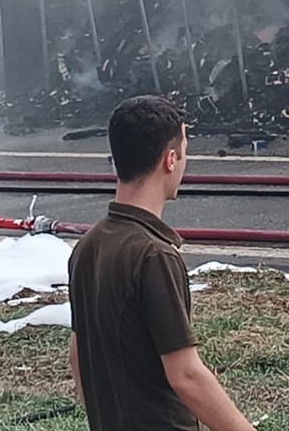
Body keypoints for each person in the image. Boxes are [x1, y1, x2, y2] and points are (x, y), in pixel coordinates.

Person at [68, 96, 256, 431]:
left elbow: (78, 354)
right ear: (170, 160)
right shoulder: (154, 256)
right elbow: (186, 375)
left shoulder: (89, 244)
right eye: (185, 150)